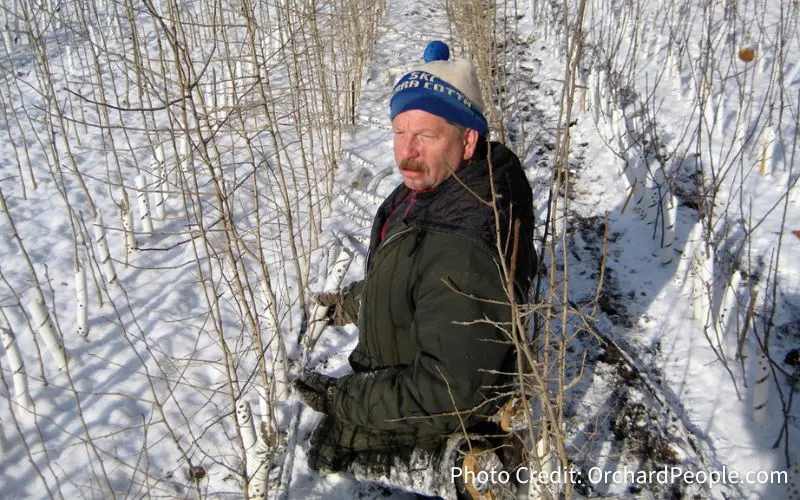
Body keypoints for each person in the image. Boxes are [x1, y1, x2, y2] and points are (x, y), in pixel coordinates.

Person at [294, 40, 537, 477]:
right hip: (398, 391)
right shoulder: (443, 188)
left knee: (319, 457)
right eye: (399, 132)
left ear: (467, 140)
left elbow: (448, 391)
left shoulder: (463, 245)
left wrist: (341, 400)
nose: (405, 152)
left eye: (424, 135)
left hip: (420, 426)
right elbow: (411, 273)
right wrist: (351, 303)